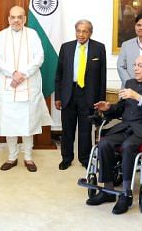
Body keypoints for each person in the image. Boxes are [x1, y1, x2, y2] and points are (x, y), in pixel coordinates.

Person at [87, 54, 142, 215]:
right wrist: (109, 108)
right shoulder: (130, 83)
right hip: (125, 127)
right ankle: (108, 190)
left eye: (140, 66)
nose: (135, 69)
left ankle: (126, 194)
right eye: (134, 65)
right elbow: (122, 108)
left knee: (128, 146)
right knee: (104, 143)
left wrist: (138, 97)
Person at [0, 6, 52, 172]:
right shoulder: (1, 35)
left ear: (24, 19)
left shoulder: (32, 34)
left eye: (19, 17)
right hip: (7, 86)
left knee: (28, 122)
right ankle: (12, 157)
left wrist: (22, 74)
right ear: (8, 19)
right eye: (13, 17)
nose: (16, 20)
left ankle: (28, 157)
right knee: (9, 123)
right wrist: (12, 73)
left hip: (28, 84)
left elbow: (39, 57)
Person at [55, 19, 107, 170]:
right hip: (68, 93)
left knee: (85, 129)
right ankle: (66, 158)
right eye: (78, 31)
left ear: (90, 33)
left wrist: (101, 100)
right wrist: (58, 96)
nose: (81, 34)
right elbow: (59, 74)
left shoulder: (99, 48)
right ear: (75, 32)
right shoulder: (66, 48)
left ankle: (85, 158)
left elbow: (102, 77)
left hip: (88, 94)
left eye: (85, 31)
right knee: (67, 129)